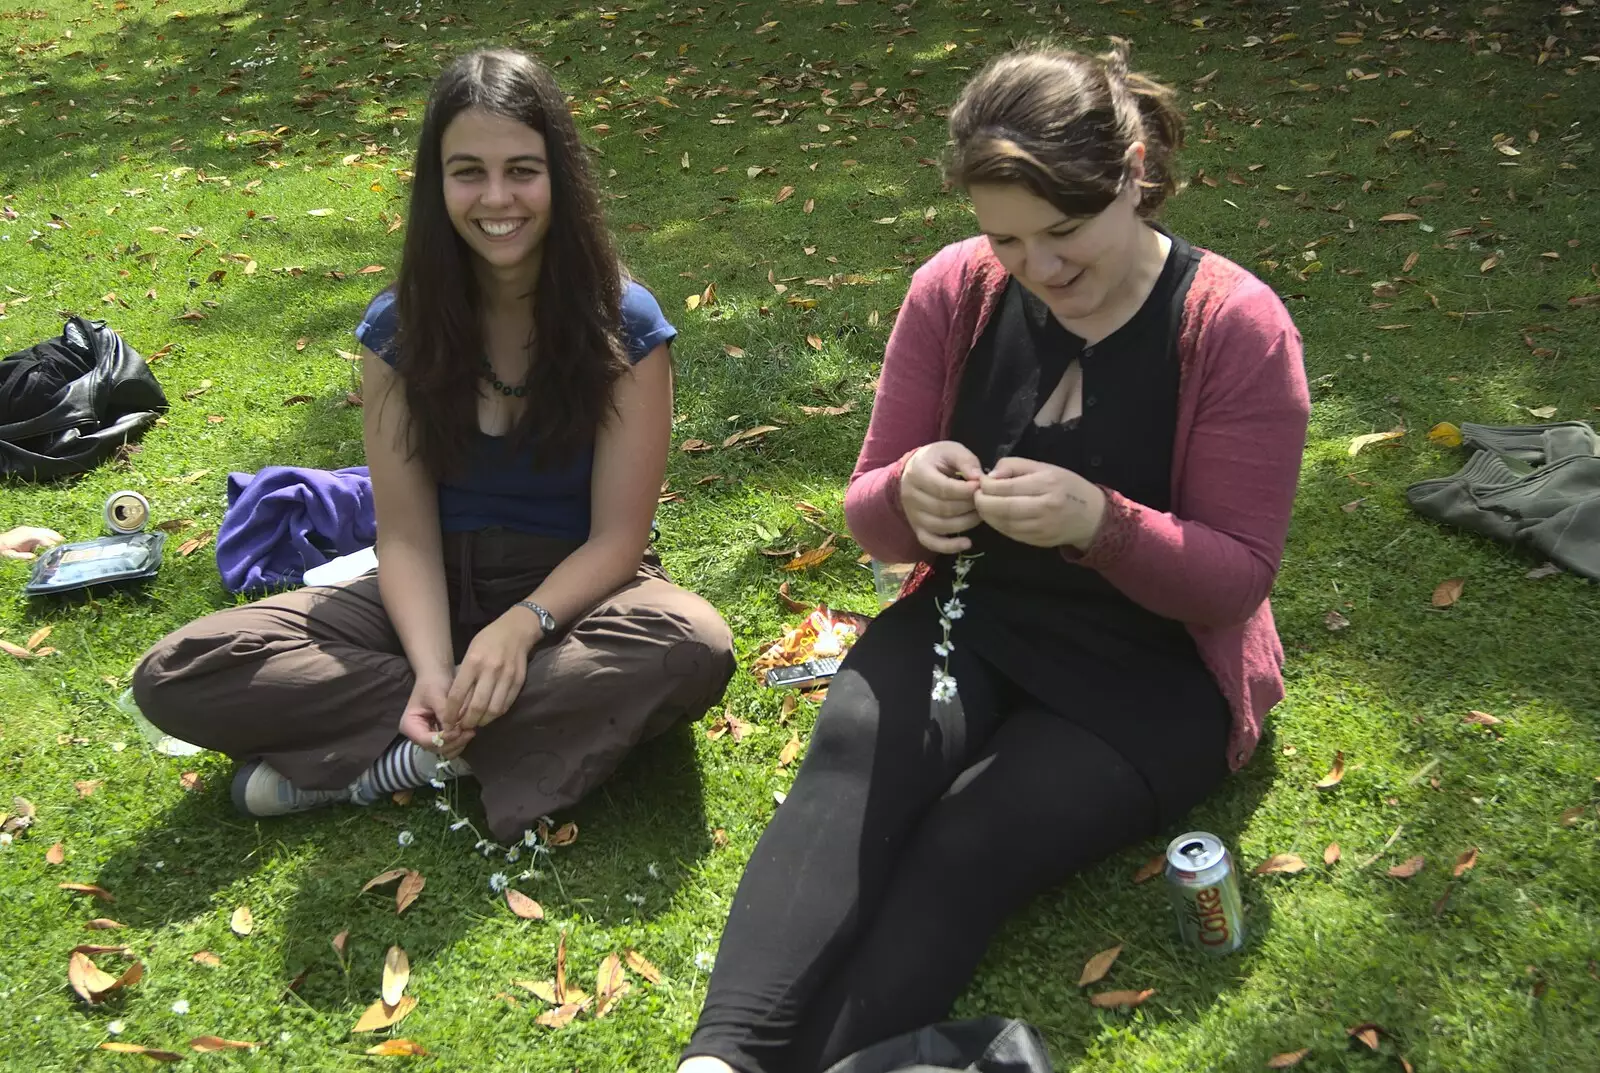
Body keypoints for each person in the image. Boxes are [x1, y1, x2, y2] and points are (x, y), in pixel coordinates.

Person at [680, 44, 1309, 1073]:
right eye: (1006, 238)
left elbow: (1237, 576)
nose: (1041, 269)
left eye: (1066, 232)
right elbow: (871, 513)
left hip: (1150, 672)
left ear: (1136, 172)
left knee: (972, 841)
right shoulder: (957, 290)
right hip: (971, 611)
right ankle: (716, 1060)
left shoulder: (1232, 325)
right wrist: (906, 491)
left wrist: (1101, 523)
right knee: (854, 763)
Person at [131, 49, 736, 841]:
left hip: (571, 600)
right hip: (424, 596)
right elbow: (406, 534)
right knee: (179, 670)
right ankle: (460, 734)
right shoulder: (398, 331)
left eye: (522, 170)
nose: (496, 199)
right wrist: (431, 669)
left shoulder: (624, 324)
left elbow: (619, 540)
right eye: (467, 173)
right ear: (436, 184)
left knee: (690, 644)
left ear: (561, 178)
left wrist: (520, 628)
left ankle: (396, 760)